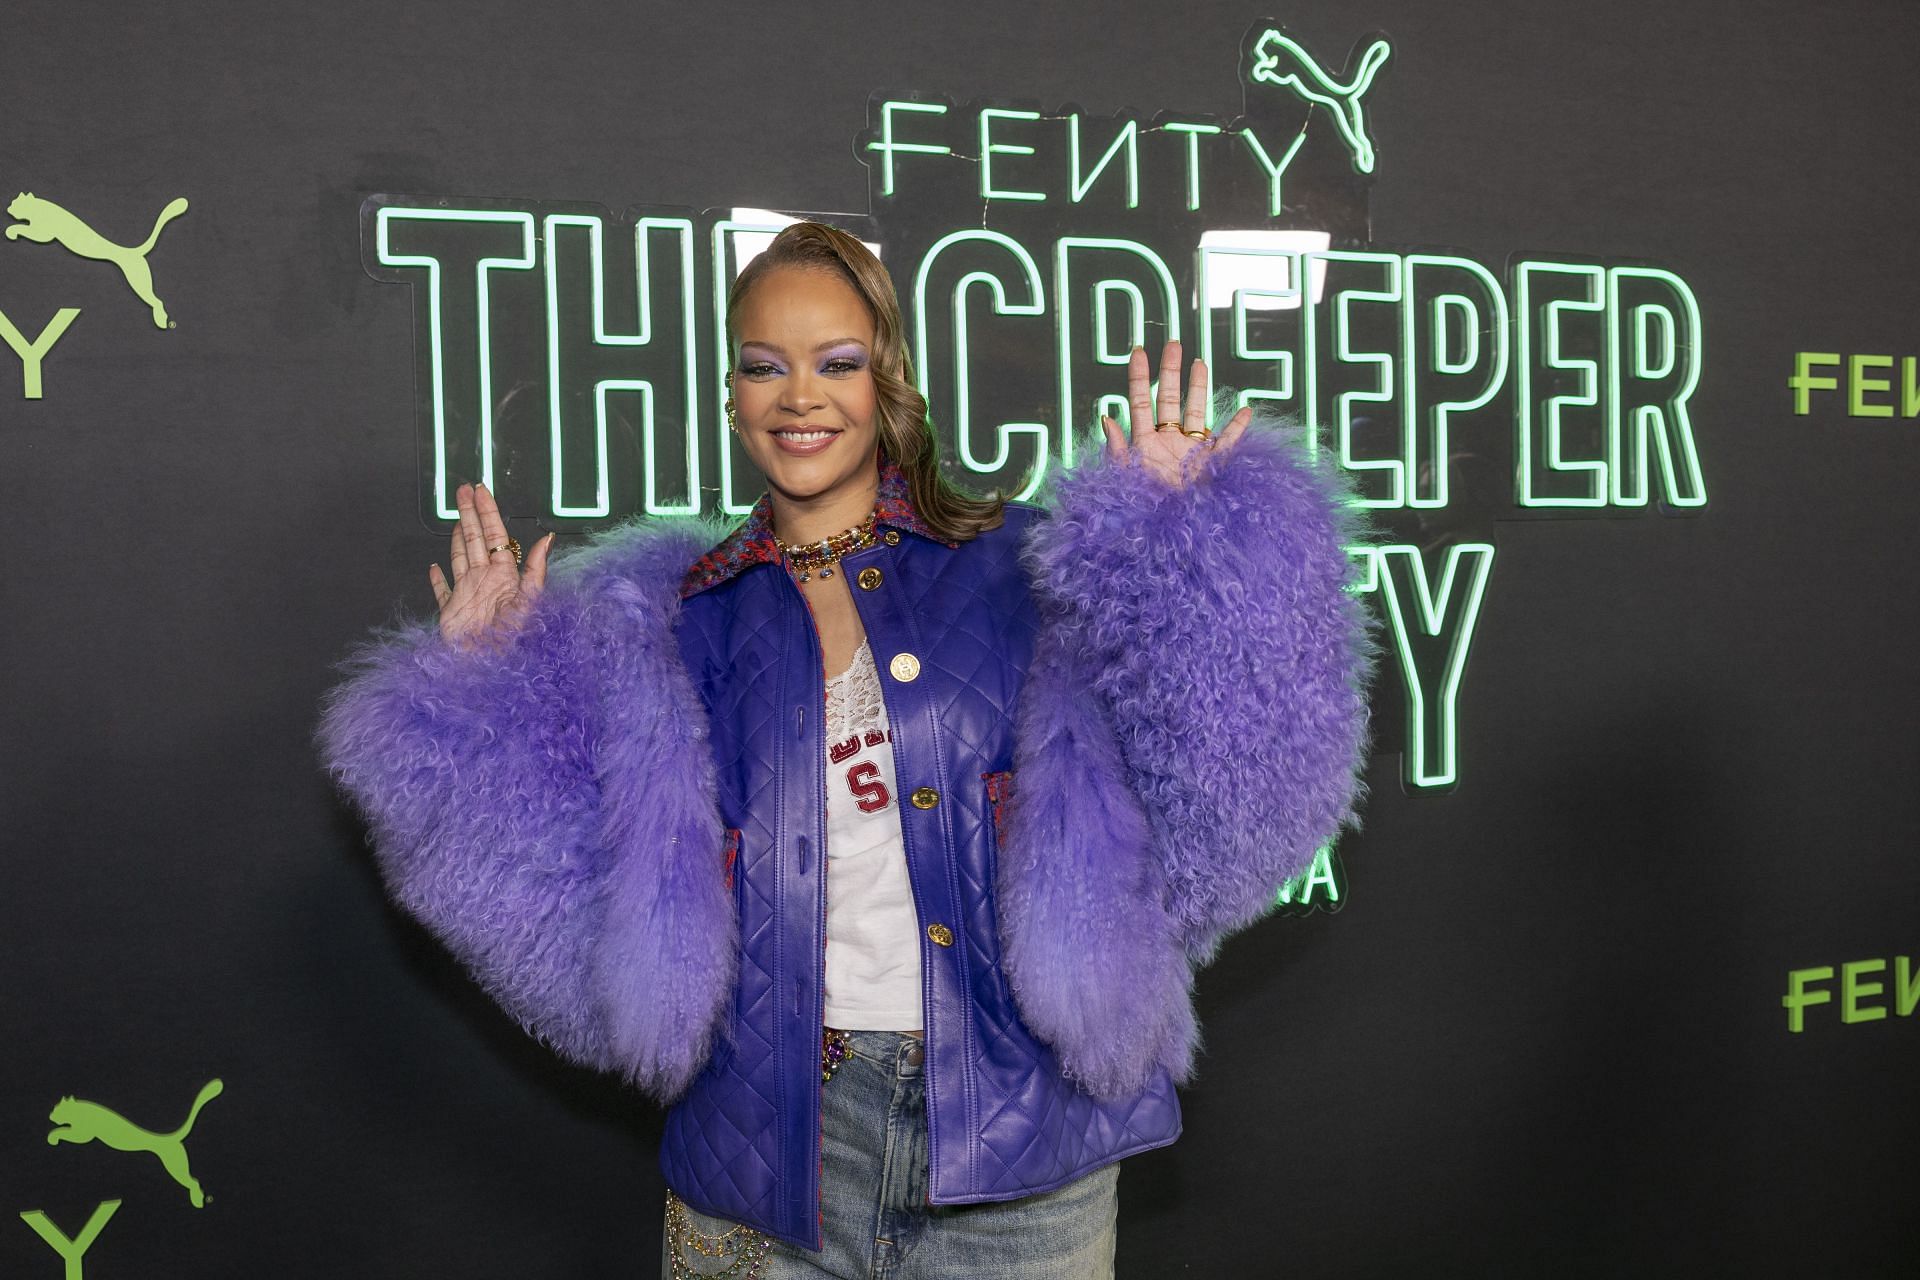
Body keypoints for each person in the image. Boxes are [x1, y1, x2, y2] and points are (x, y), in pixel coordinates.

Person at [318, 222, 1373, 1279]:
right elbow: (575, 910)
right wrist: (487, 694)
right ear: (732, 393)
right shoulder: (668, 614)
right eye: (763, 366)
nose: (798, 396)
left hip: (1017, 1154)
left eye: (836, 361)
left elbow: (1226, 790)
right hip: (761, 1164)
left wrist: (1184, 557)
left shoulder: (1019, 572)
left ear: (888, 380)